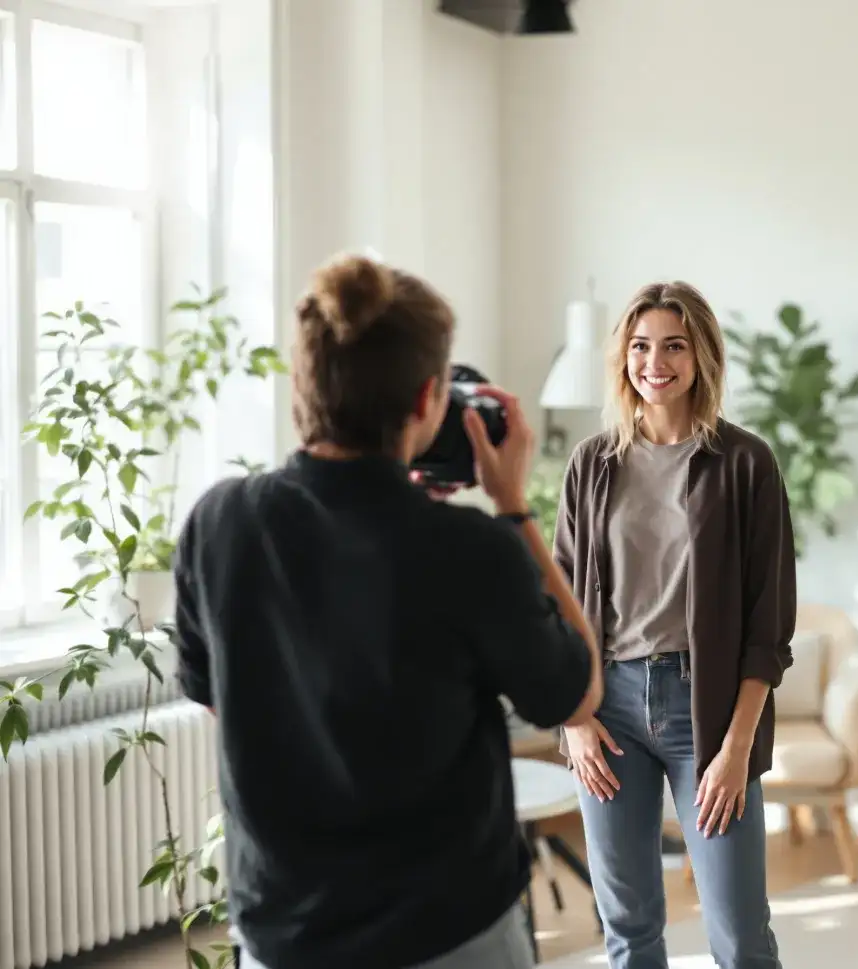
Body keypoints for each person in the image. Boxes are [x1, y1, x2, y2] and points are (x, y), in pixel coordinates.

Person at [171, 253, 602, 969]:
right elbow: (579, 690)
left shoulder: (220, 522)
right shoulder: (470, 549)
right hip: (447, 934)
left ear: (303, 382)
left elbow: (231, 703)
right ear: (430, 397)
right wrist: (514, 507)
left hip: (283, 935)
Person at [553, 281, 798, 969]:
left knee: (741, 934)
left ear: (701, 357)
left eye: (673, 346)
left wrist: (737, 745)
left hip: (710, 713)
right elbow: (562, 604)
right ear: (622, 357)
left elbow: (767, 627)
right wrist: (572, 718)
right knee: (628, 931)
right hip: (609, 711)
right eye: (639, 346)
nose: (654, 362)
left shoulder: (745, 464)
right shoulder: (592, 466)